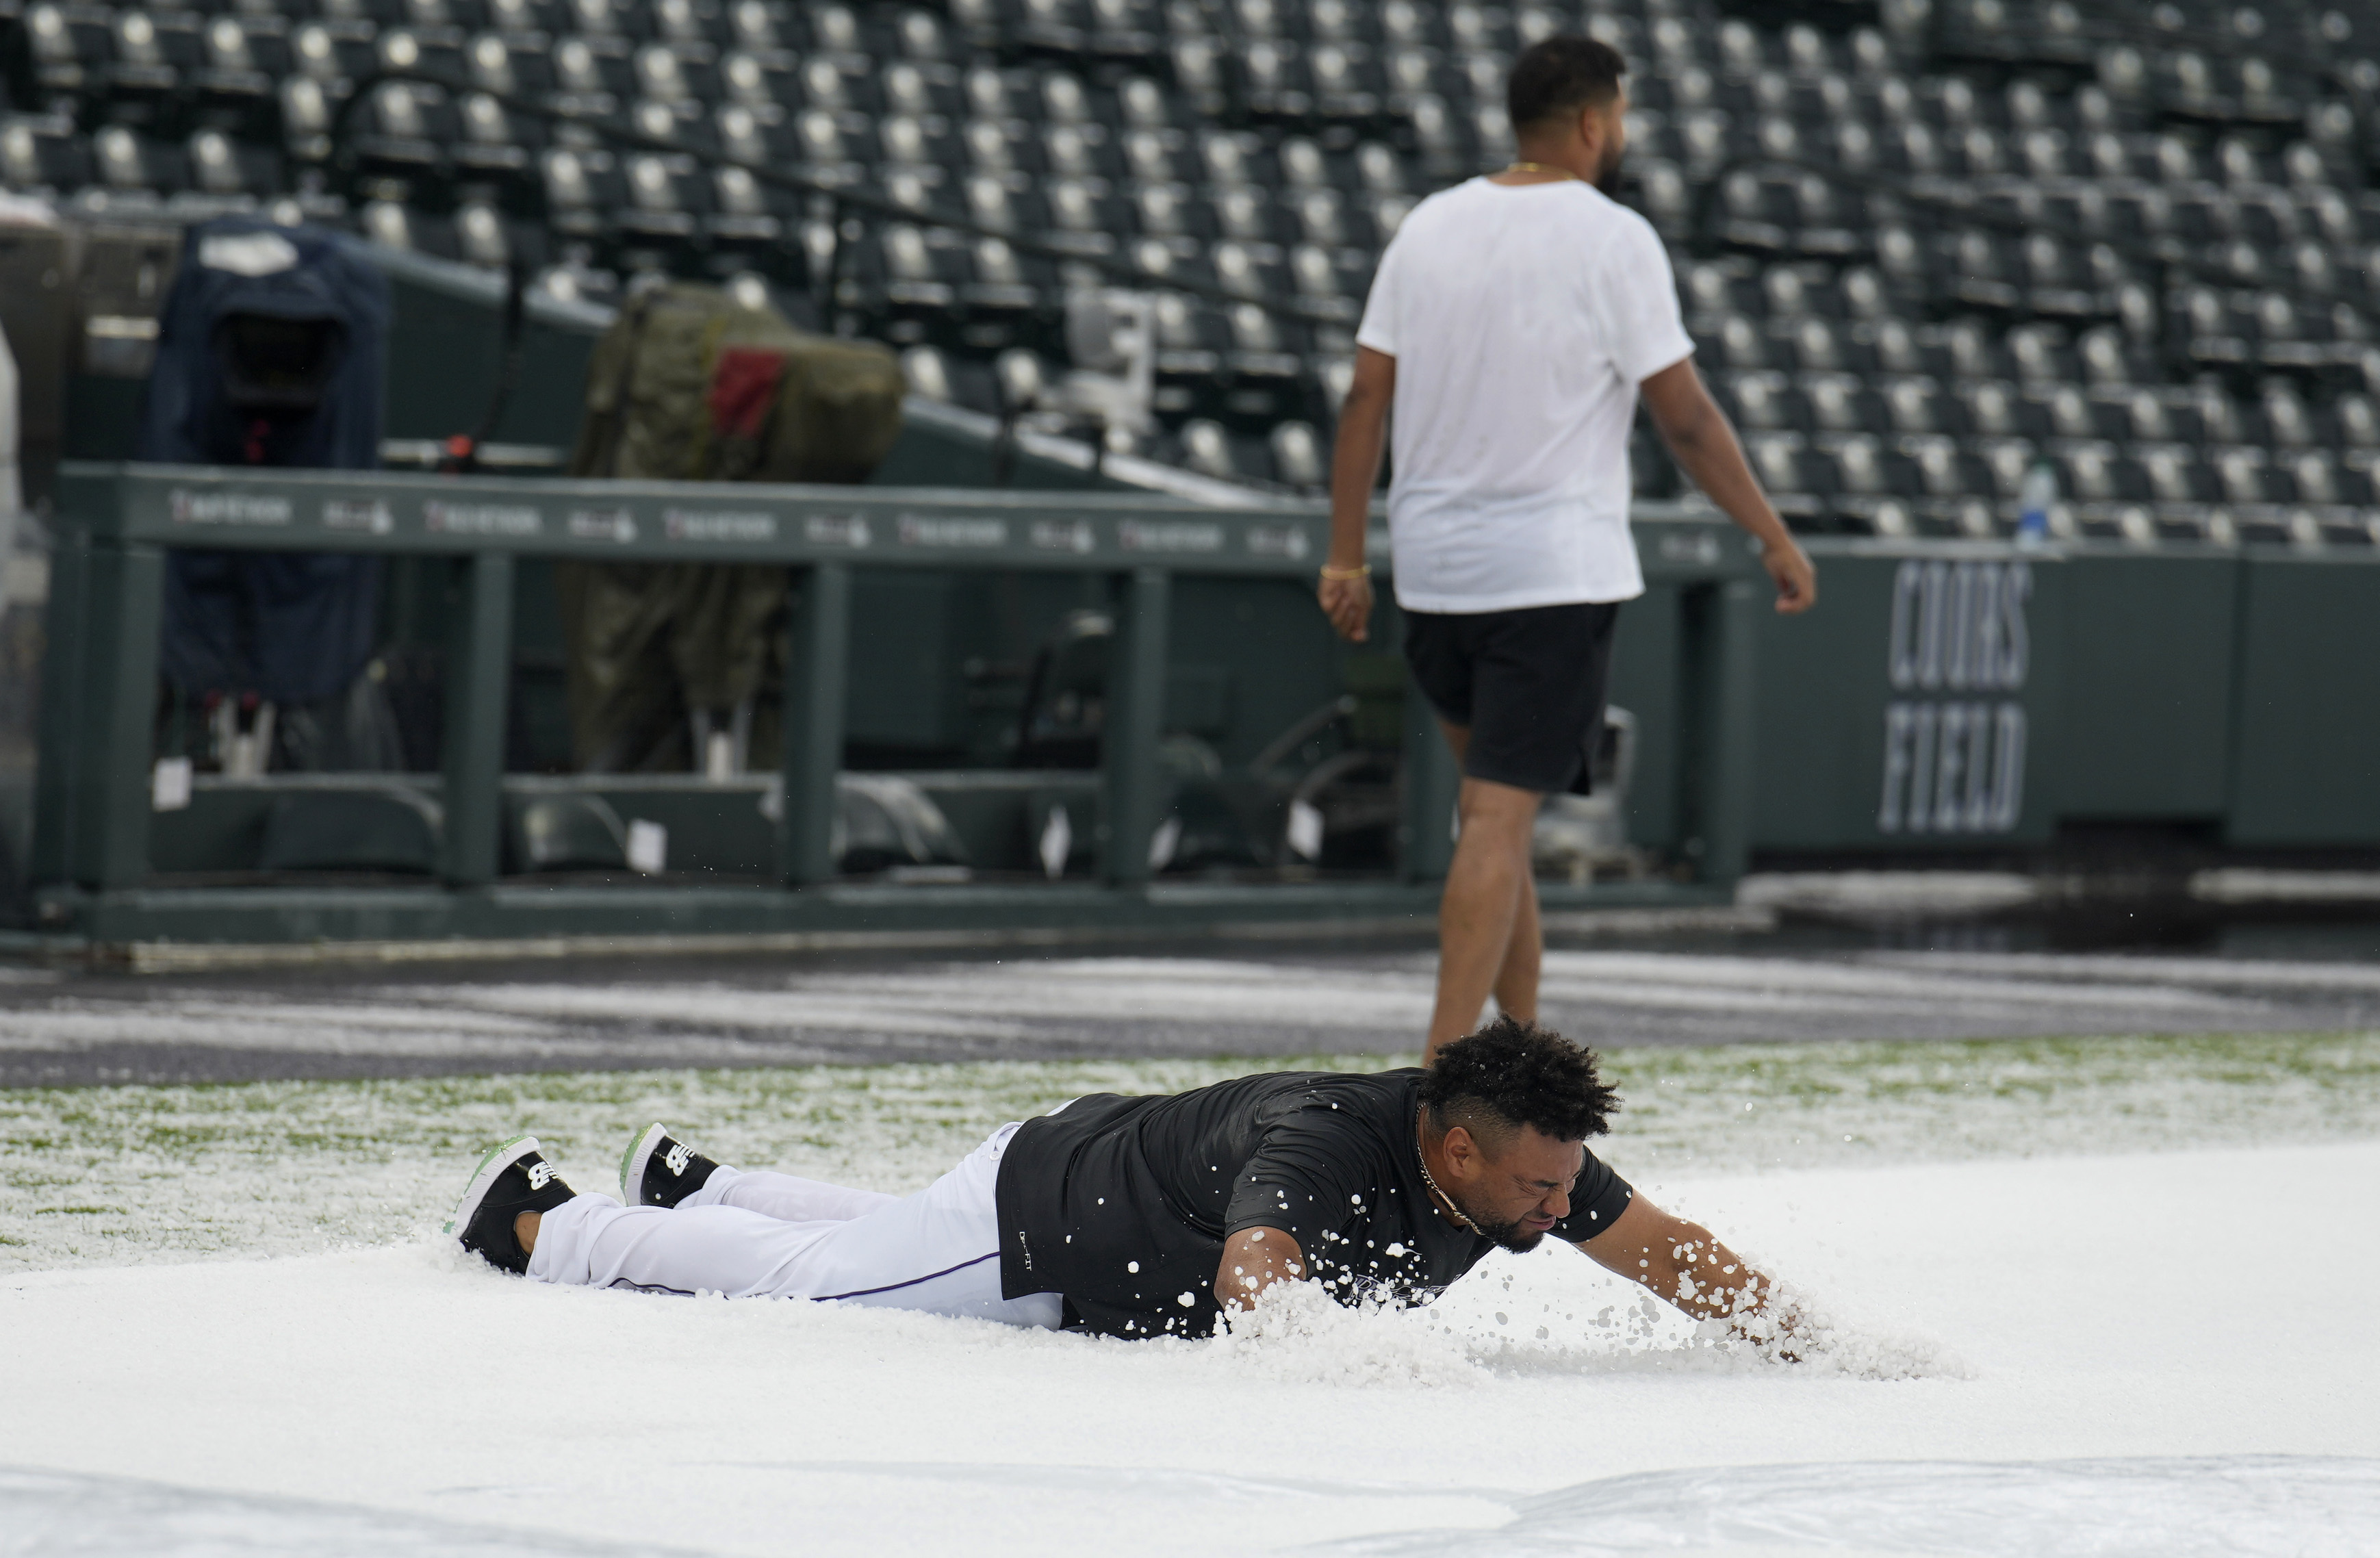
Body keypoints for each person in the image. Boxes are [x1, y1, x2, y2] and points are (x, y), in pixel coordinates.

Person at [1317, 36, 1820, 1061]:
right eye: (1621, 118)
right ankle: (1442, 1079)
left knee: (1495, 827)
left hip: (1435, 575)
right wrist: (1768, 533)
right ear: (1594, 122)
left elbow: (1366, 392)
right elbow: (1682, 420)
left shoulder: (1427, 225)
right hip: (1548, 577)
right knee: (1497, 826)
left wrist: (1343, 557)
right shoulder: (1613, 237)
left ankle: (1526, 1053)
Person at [446, 1019, 1793, 1346]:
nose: (1565, 1209)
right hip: (1049, 1218)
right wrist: (1361, 1379)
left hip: (1080, 1167)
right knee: (829, 1285)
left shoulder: (1523, 1153)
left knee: (882, 1235)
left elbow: (1669, 1250)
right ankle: (540, 1223)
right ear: (1454, 1150)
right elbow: (1252, 1278)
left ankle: (699, 1181)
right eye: (1543, 1188)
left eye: (1570, 1186)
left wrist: (1811, 1336)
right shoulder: (1329, 1146)